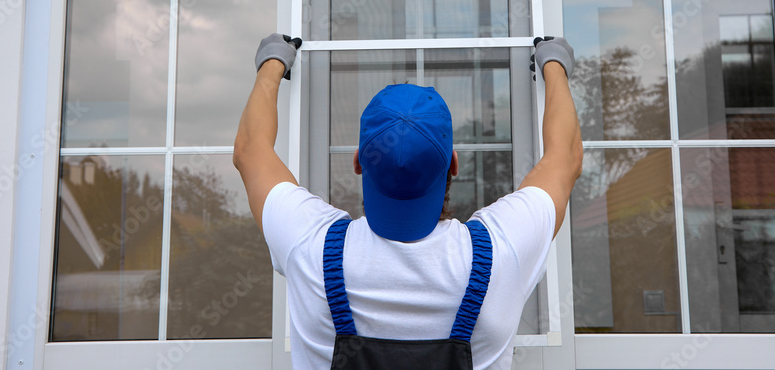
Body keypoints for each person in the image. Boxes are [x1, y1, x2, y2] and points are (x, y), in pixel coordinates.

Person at [233, 33, 583, 370]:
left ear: (358, 161)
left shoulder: (309, 244)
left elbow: (251, 151)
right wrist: (553, 63)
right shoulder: (502, 250)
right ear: (454, 164)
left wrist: (273, 62)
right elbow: (563, 158)